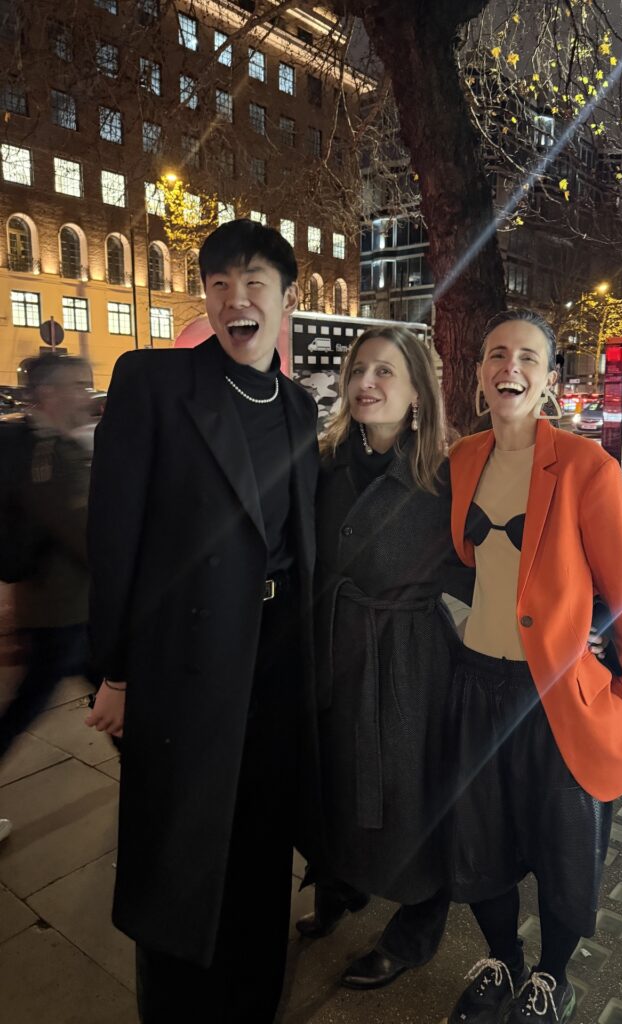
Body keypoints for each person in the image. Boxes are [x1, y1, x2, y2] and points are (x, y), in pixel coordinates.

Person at [85, 220, 319, 1023]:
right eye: (219, 284)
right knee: (179, 850)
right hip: (184, 663)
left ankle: (254, 996)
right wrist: (114, 671)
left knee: (261, 839)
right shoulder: (153, 382)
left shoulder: (298, 408)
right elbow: (113, 535)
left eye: (254, 283)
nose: (234, 300)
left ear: (286, 300)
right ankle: (177, 1006)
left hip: (275, 660)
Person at [446, 309, 622, 1024]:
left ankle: (551, 977)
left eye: (528, 357)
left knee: (565, 846)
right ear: (479, 374)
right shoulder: (461, 460)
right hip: (477, 683)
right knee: (479, 840)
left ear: (548, 379)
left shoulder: (585, 467)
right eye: (496, 354)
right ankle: (503, 958)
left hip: (555, 695)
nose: (510, 367)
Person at [298, 325, 471, 988]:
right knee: (334, 779)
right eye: (358, 370)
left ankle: (416, 928)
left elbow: (487, 566)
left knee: (410, 797)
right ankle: (340, 883)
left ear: (418, 390)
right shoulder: (323, 460)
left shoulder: (446, 473)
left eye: (385, 372)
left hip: (408, 660)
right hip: (333, 645)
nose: (366, 383)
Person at [0, 355, 97, 763]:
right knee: (24, 708)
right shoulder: (46, 454)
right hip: (59, 612)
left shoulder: (53, 446)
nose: (86, 396)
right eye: (77, 386)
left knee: (111, 694)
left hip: (67, 608)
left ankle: (147, 769)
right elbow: (80, 533)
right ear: (48, 393)